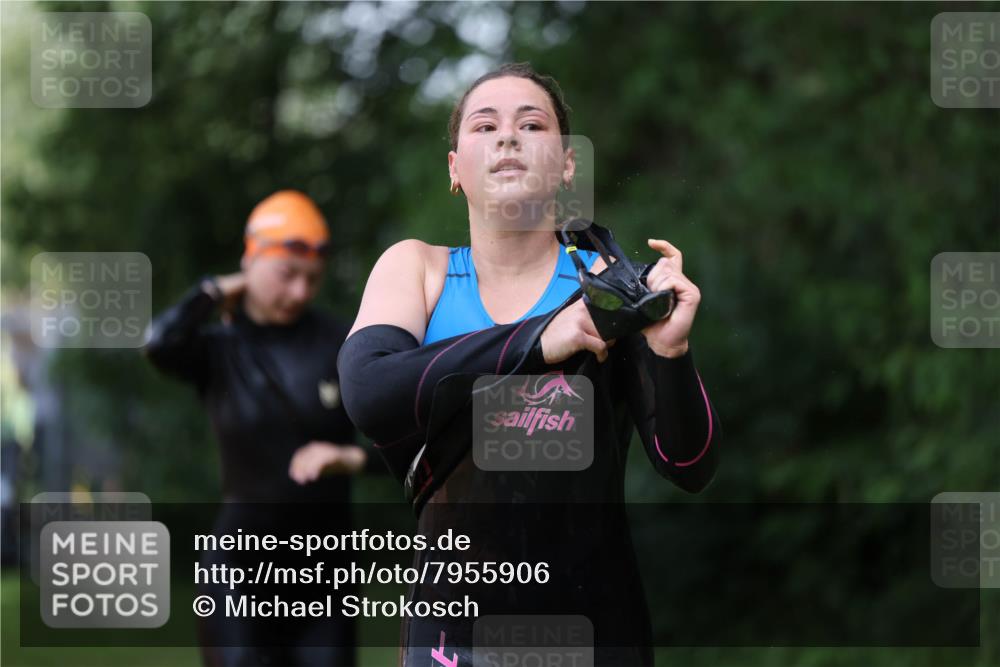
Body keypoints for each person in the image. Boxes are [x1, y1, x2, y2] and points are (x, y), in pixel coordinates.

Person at [338, 63, 721, 667]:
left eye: (531, 123)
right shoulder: (420, 271)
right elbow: (367, 392)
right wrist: (545, 337)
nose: (507, 137)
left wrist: (670, 352)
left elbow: (688, 464)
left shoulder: (610, 289)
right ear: (454, 169)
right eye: (485, 125)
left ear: (567, 164)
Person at [144, 190, 365, 667]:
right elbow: (160, 343)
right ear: (251, 260)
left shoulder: (339, 341)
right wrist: (216, 291)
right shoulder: (220, 349)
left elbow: (396, 441)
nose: (300, 293)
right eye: (287, 275)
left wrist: (349, 458)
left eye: (312, 279)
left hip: (324, 572)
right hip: (239, 568)